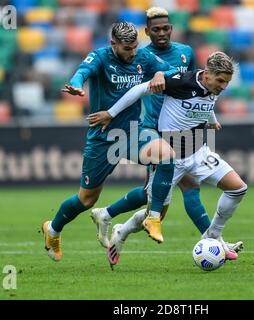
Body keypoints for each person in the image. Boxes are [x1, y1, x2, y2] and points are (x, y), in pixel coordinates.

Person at [88, 52, 247, 267]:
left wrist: (212, 120)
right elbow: (138, 90)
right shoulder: (180, 82)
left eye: (226, 83)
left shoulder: (213, 87)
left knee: (238, 188)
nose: (223, 87)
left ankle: (212, 236)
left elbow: (205, 103)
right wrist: (111, 112)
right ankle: (121, 230)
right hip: (169, 158)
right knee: (154, 215)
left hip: (199, 152)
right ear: (207, 74)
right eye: (220, 81)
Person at [41, 22, 179, 261]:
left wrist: (159, 73)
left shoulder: (143, 56)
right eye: (127, 48)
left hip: (133, 133)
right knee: (86, 199)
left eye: (134, 47)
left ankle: (153, 218)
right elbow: (82, 72)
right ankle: (52, 229)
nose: (132, 52)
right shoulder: (100, 57)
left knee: (166, 156)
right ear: (113, 44)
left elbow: (171, 72)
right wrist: (76, 84)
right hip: (103, 138)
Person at [89, 7, 221, 249]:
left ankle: (215, 241)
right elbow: (132, 91)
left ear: (171, 28)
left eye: (166, 28)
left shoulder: (185, 52)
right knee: (156, 197)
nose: (162, 33)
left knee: (187, 185)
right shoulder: (140, 57)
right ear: (147, 32)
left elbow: (198, 88)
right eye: (156, 29)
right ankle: (111, 218)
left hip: (183, 129)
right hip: (155, 130)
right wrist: (112, 113)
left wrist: (209, 117)